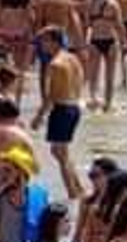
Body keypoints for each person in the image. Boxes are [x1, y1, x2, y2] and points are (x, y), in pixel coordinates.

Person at [33, 26, 87, 198]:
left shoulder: (55, 64)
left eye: (44, 41)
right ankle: (78, 188)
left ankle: (72, 193)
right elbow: (80, 82)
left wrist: (39, 116)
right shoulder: (73, 58)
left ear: (53, 41)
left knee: (59, 153)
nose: (41, 45)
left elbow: (52, 95)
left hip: (62, 109)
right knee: (61, 152)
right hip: (75, 107)